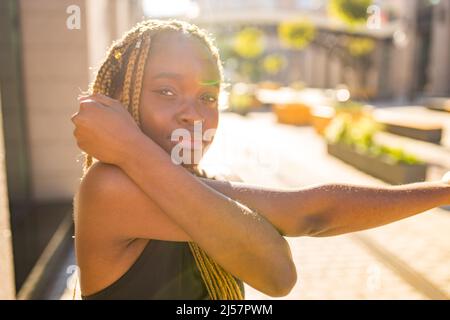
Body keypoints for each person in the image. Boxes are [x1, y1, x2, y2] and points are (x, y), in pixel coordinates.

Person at [71, 19, 450, 300]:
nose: (193, 115)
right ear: (119, 101)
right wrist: (130, 148)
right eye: (166, 91)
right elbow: (292, 247)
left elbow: (299, 232)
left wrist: (130, 147)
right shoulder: (109, 187)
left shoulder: (210, 178)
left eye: (207, 98)